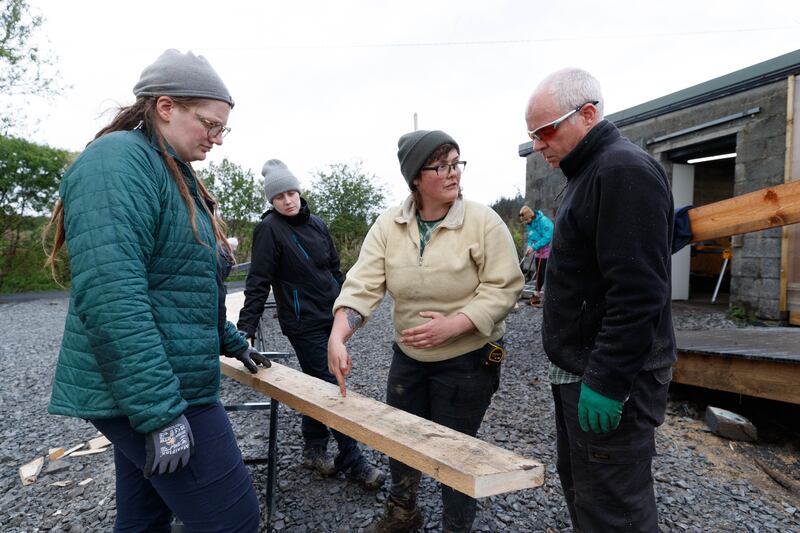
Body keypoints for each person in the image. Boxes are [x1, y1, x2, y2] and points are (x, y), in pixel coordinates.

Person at [45, 49, 271, 532]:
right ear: (166, 107)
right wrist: (159, 414)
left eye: (222, 129)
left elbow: (185, 288)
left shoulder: (173, 170)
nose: (217, 139)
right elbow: (111, 296)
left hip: (166, 378)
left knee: (145, 517)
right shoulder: (117, 162)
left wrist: (233, 343)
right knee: (233, 520)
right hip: (151, 390)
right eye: (210, 125)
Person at [327, 130, 524, 533]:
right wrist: (337, 335)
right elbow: (363, 285)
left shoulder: (483, 222)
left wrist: (455, 325)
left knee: (457, 449)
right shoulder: (389, 226)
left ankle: (457, 524)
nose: (454, 174)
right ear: (416, 177)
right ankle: (404, 511)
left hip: (470, 358)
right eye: (442, 166)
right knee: (401, 435)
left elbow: (504, 286)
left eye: (457, 164)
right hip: (410, 357)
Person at [524, 68, 675, 531]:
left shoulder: (621, 170)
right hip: (581, 371)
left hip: (611, 382)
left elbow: (639, 292)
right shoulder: (588, 172)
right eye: (532, 135)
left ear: (588, 114)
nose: (537, 144)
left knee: (616, 510)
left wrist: (608, 380)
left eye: (546, 130)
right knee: (589, 497)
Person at [236, 159, 385, 489]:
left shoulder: (317, 224)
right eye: (279, 197)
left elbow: (334, 268)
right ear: (271, 201)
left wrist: (348, 304)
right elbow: (258, 280)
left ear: (299, 192)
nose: (287, 201)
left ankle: (313, 447)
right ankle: (353, 459)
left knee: (319, 383)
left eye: (291, 193)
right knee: (333, 383)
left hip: (332, 317)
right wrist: (245, 327)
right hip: (302, 323)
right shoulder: (269, 230)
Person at [518, 205, 553, 302]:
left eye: (525, 220)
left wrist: (534, 247)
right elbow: (531, 238)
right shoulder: (530, 224)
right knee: (538, 274)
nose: (525, 222)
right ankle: (536, 294)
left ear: (530, 216)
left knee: (545, 274)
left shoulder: (544, 222)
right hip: (539, 253)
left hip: (547, 253)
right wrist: (529, 247)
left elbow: (547, 237)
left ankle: (550, 297)